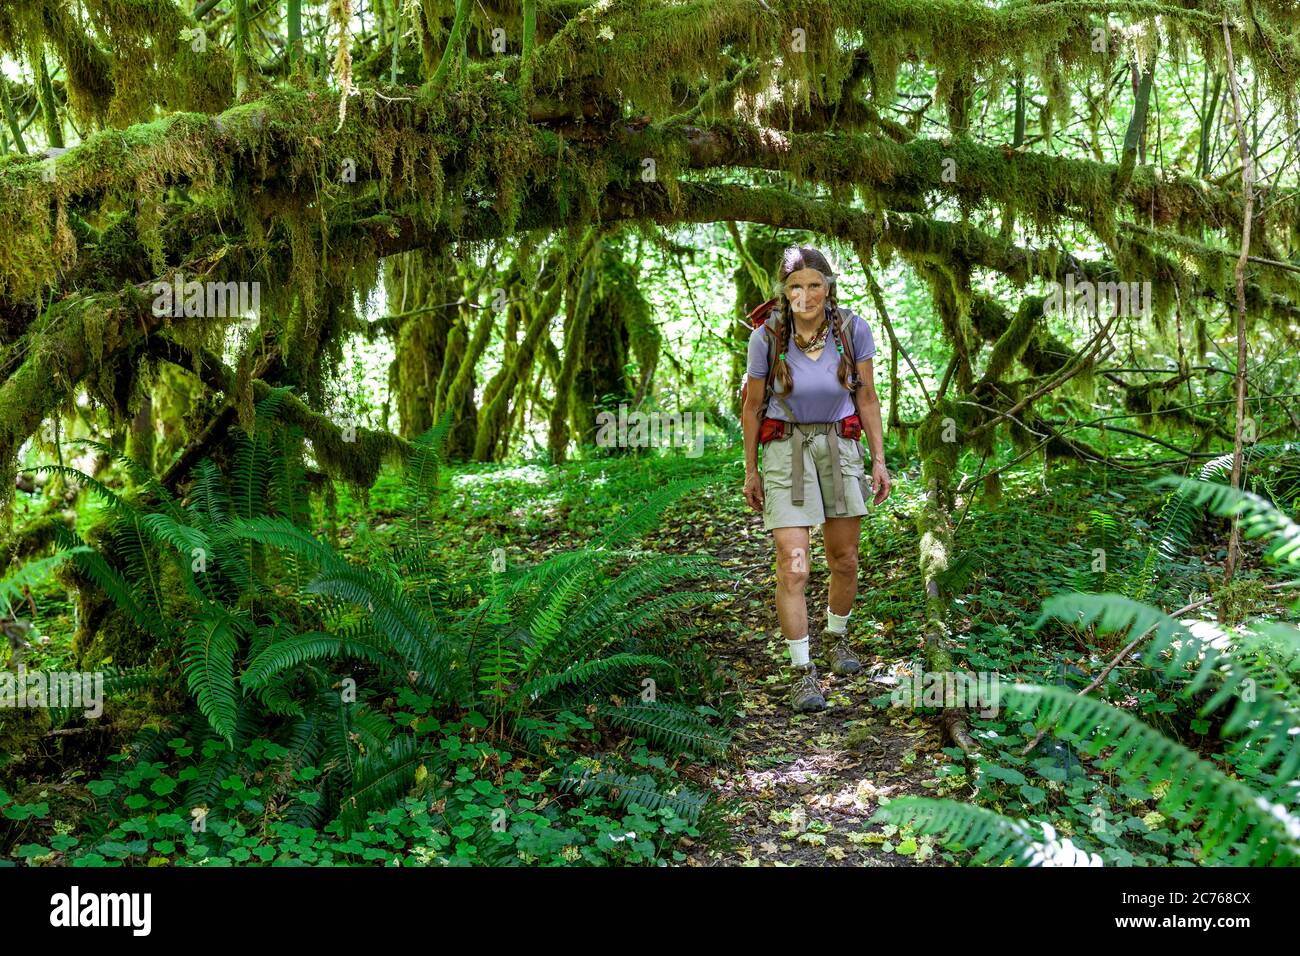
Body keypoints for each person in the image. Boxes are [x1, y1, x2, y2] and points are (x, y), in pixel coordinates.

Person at [741, 246, 892, 713]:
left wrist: (879, 460)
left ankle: (837, 637)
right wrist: (751, 468)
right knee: (795, 565)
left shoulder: (852, 329)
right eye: (794, 286)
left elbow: (866, 398)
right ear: (784, 292)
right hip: (785, 450)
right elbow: (751, 405)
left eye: (813, 284)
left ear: (828, 287)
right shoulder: (768, 336)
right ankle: (802, 671)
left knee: (844, 558)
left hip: (840, 448)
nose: (804, 294)